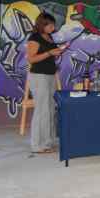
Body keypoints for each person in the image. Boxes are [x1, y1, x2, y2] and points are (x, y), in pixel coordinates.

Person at [26, 13, 64, 154]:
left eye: (53, 25)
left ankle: (48, 142)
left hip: (50, 75)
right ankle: (37, 145)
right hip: (39, 76)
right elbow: (31, 59)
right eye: (50, 25)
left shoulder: (49, 37)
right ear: (42, 24)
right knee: (42, 110)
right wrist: (49, 53)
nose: (53, 28)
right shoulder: (34, 38)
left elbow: (48, 55)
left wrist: (56, 53)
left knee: (50, 109)